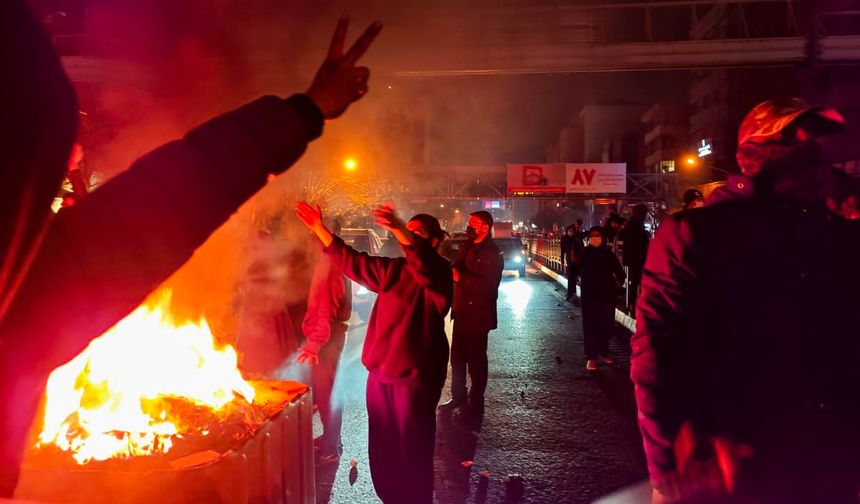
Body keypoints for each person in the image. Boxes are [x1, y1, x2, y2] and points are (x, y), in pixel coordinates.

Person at [0, 2, 381, 495]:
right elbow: (167, 200)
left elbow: (162, 203)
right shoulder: (32, 294)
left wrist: (302, 113)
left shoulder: (32, 289)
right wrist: (303, 112)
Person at [631, 98, 860, 502]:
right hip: (732, 470)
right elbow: (656, 360)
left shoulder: (839, 237)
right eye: (793, 138)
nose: (811, 150)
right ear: (756, 150)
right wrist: (666, 473)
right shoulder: (697, 235)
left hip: (832, 466)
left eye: (817, 140)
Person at [295, 201, 452, 504]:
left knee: (412, 448)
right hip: (380, 376)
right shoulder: (392, 270)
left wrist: (397, 227)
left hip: (415, 380)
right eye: (408, 231)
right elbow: (351, 261)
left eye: (416, 233)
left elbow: (423, 264)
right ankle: (390, 497)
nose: (408, 237)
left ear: (433, 241)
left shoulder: (440, 272)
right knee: (382, 448)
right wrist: (318, 228)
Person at [439, 211, 503, 413]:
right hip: (462, 311)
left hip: (479, 314)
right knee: (457, 358)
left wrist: (460, 277)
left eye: (474, 223)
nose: (469, 225)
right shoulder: (467, 247)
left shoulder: (493, 252)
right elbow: (454, 269)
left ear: (485, 227)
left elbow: (490, 286)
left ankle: (476, 398)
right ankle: (458, 397)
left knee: (476, 359)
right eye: (469, 222)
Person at [297, 250, 351, 464]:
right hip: (330, 336)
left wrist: (314, 343)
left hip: (326, 339)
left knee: (328, 393)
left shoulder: (327, 263)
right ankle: (331, 441)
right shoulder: (331, 259)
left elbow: (324, 307)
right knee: (328, 391)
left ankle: (329, 449)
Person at [579, 227, 625, 372]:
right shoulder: (584, 254)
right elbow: (575, 268)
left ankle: (604, 351)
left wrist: (617, 285)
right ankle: (592, 358)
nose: (595, 238)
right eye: (592, 235)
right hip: (589, 295)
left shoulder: (608, 255)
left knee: (606, 324)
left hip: (606, 295)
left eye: (598, 235)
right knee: (590, 326)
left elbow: (620, 273)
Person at [618, 204, 649, 312]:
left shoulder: (635, 224)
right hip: (636, 259)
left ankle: (633, 303)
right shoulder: (633, 225)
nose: (645, 215)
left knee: (636, 282)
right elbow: (634, 243)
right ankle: (632, 304)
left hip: (637, 258)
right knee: (634, 282)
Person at [560, 222, 585, 302]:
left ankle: (580, 296)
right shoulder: (564, 239)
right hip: (570, 261)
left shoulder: (577, 238)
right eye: (569, 231)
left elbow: (582, 248)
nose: (570, 232)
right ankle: (570, 294)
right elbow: (562, 250)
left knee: (580, 278)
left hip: (578, 261)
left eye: (572, 231)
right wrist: (562, 259)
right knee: (571, 278)